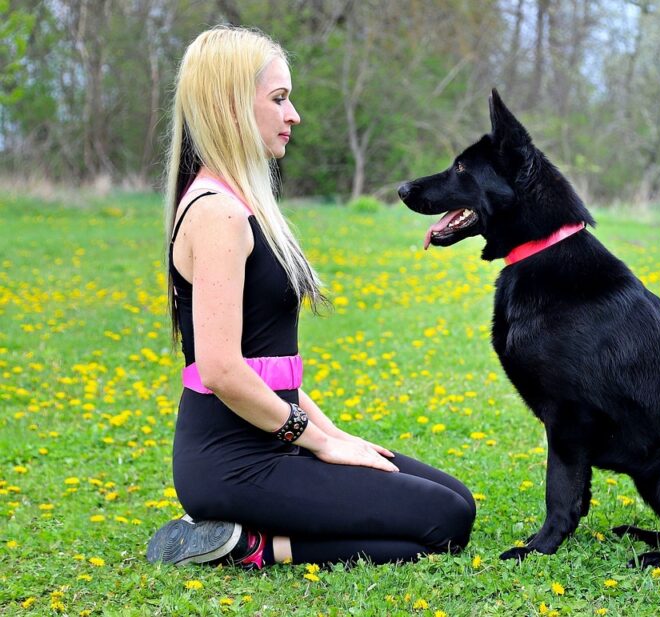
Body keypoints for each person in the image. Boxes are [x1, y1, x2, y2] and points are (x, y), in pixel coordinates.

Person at [146, 25, 475, 569]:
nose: (293, 114)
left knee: (455, 498)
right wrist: (319, 444)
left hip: (274, 437)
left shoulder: (241, 203)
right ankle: (249, 547)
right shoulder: (215, 213)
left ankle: (251, 532)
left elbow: (269, 366)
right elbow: (222, 369)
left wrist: (333, 433)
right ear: (231, 106)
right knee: (443, 521)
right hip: (232, 462)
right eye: (278, 99)